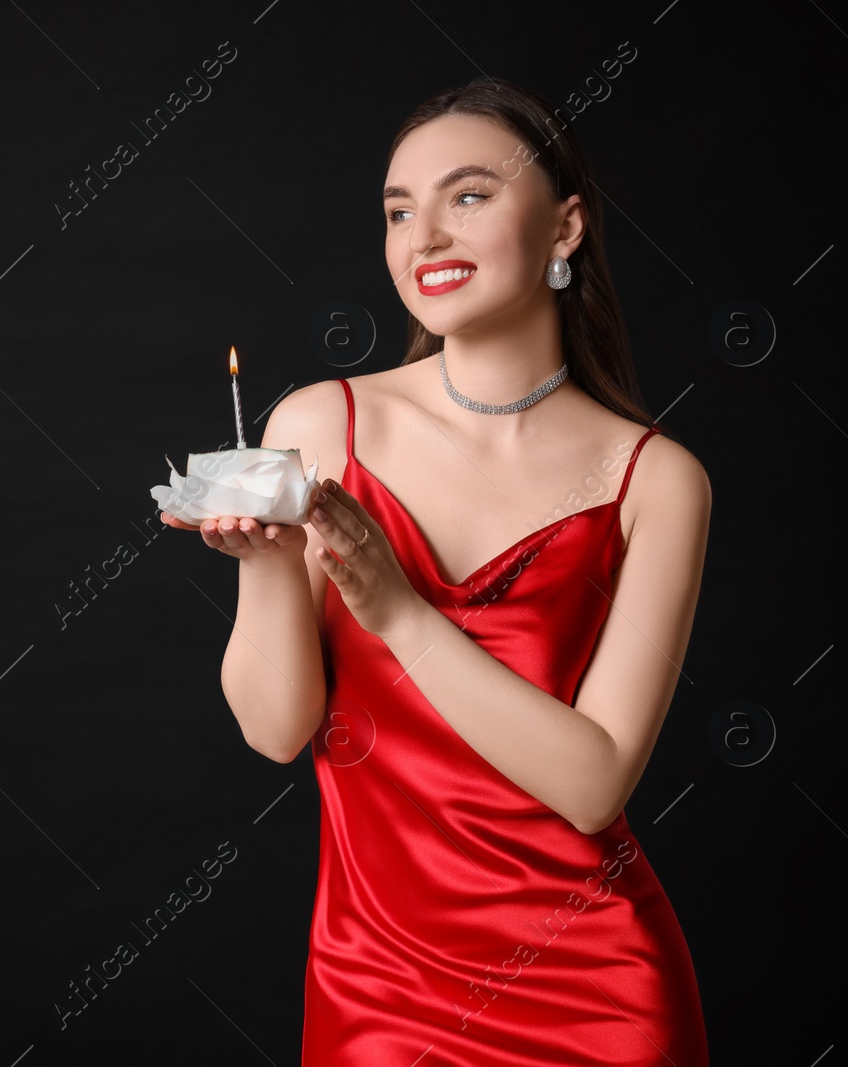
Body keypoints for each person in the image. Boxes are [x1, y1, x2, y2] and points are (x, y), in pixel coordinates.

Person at [160, 77, 711, 1064]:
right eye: (397, 211)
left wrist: (401, 614)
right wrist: (270, 565)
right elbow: (277, 729)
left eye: (468, 196)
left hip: (598, 992)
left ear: (565, 226)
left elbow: (593, 783)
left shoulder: (654, 478)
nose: (424, 238)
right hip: (378, 987)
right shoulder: (320, 423)